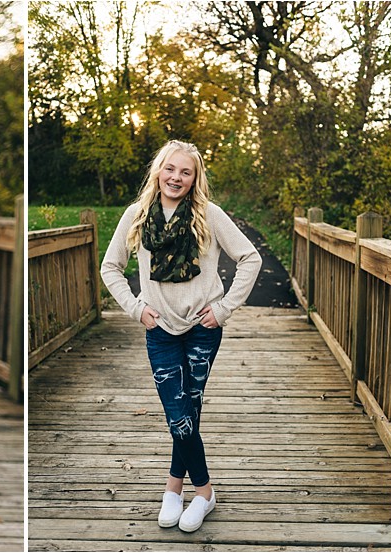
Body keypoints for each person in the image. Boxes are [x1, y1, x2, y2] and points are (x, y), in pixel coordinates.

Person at [100, 140, 261, 533]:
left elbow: (250, 258)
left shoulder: (209, 214)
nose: (176, 177)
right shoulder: (136, 215)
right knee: (179, 413)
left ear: (195, 178)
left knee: (187, 410)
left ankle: (179, 489)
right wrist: (137, 308)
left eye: (185, 172)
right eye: (170, 169)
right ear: (159, 170)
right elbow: (110, 267)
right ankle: (201, 490)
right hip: (160, 330)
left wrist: (223, 309)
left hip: (203, 330)